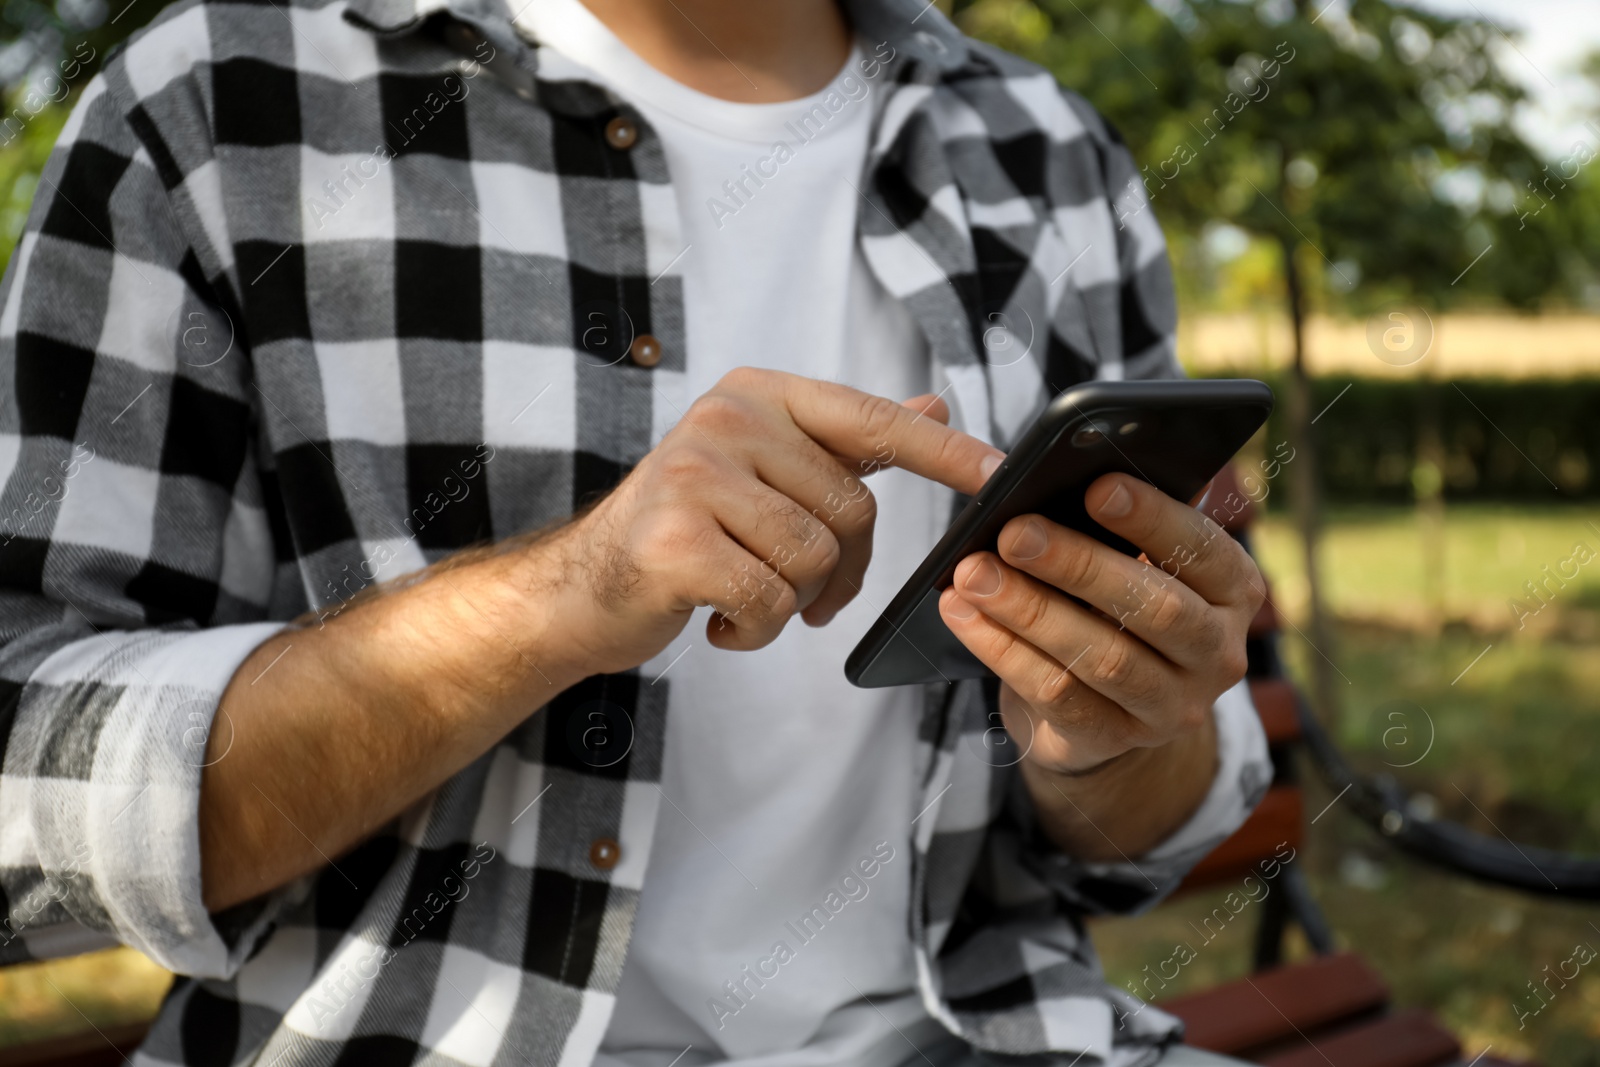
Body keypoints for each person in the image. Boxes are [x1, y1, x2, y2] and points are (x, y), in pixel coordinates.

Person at [0, 0, 1273, 1063]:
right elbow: (18, 802)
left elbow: (1138, 831)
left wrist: (1107, 733)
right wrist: (555, 595)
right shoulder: (221, 107)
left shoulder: (1047, 150)